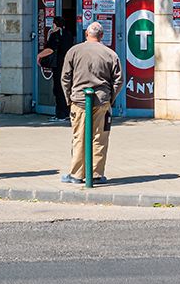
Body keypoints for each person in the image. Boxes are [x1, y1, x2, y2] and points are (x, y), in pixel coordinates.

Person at [59, 21, 122, 184]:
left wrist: (69, 99)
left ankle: (77, 175)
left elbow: (65, 78)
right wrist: (110, 98)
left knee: (79, 137)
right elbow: (119, 80)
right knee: (99, 138)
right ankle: (96, 173)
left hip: (79, 101)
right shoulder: (110, 54)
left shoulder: (74, 51)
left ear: (87, 34)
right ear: (102, 36)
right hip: (102, 101)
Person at [36, 14, 74, 122]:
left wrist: (39, 56)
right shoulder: (68, 34)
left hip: (58, 65)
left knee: (58, 89)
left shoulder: (55, 35)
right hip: (68, 64)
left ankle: (61, 114)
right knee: (66, 88)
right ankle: (67, 112)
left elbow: (51, 49)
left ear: (55, 24)